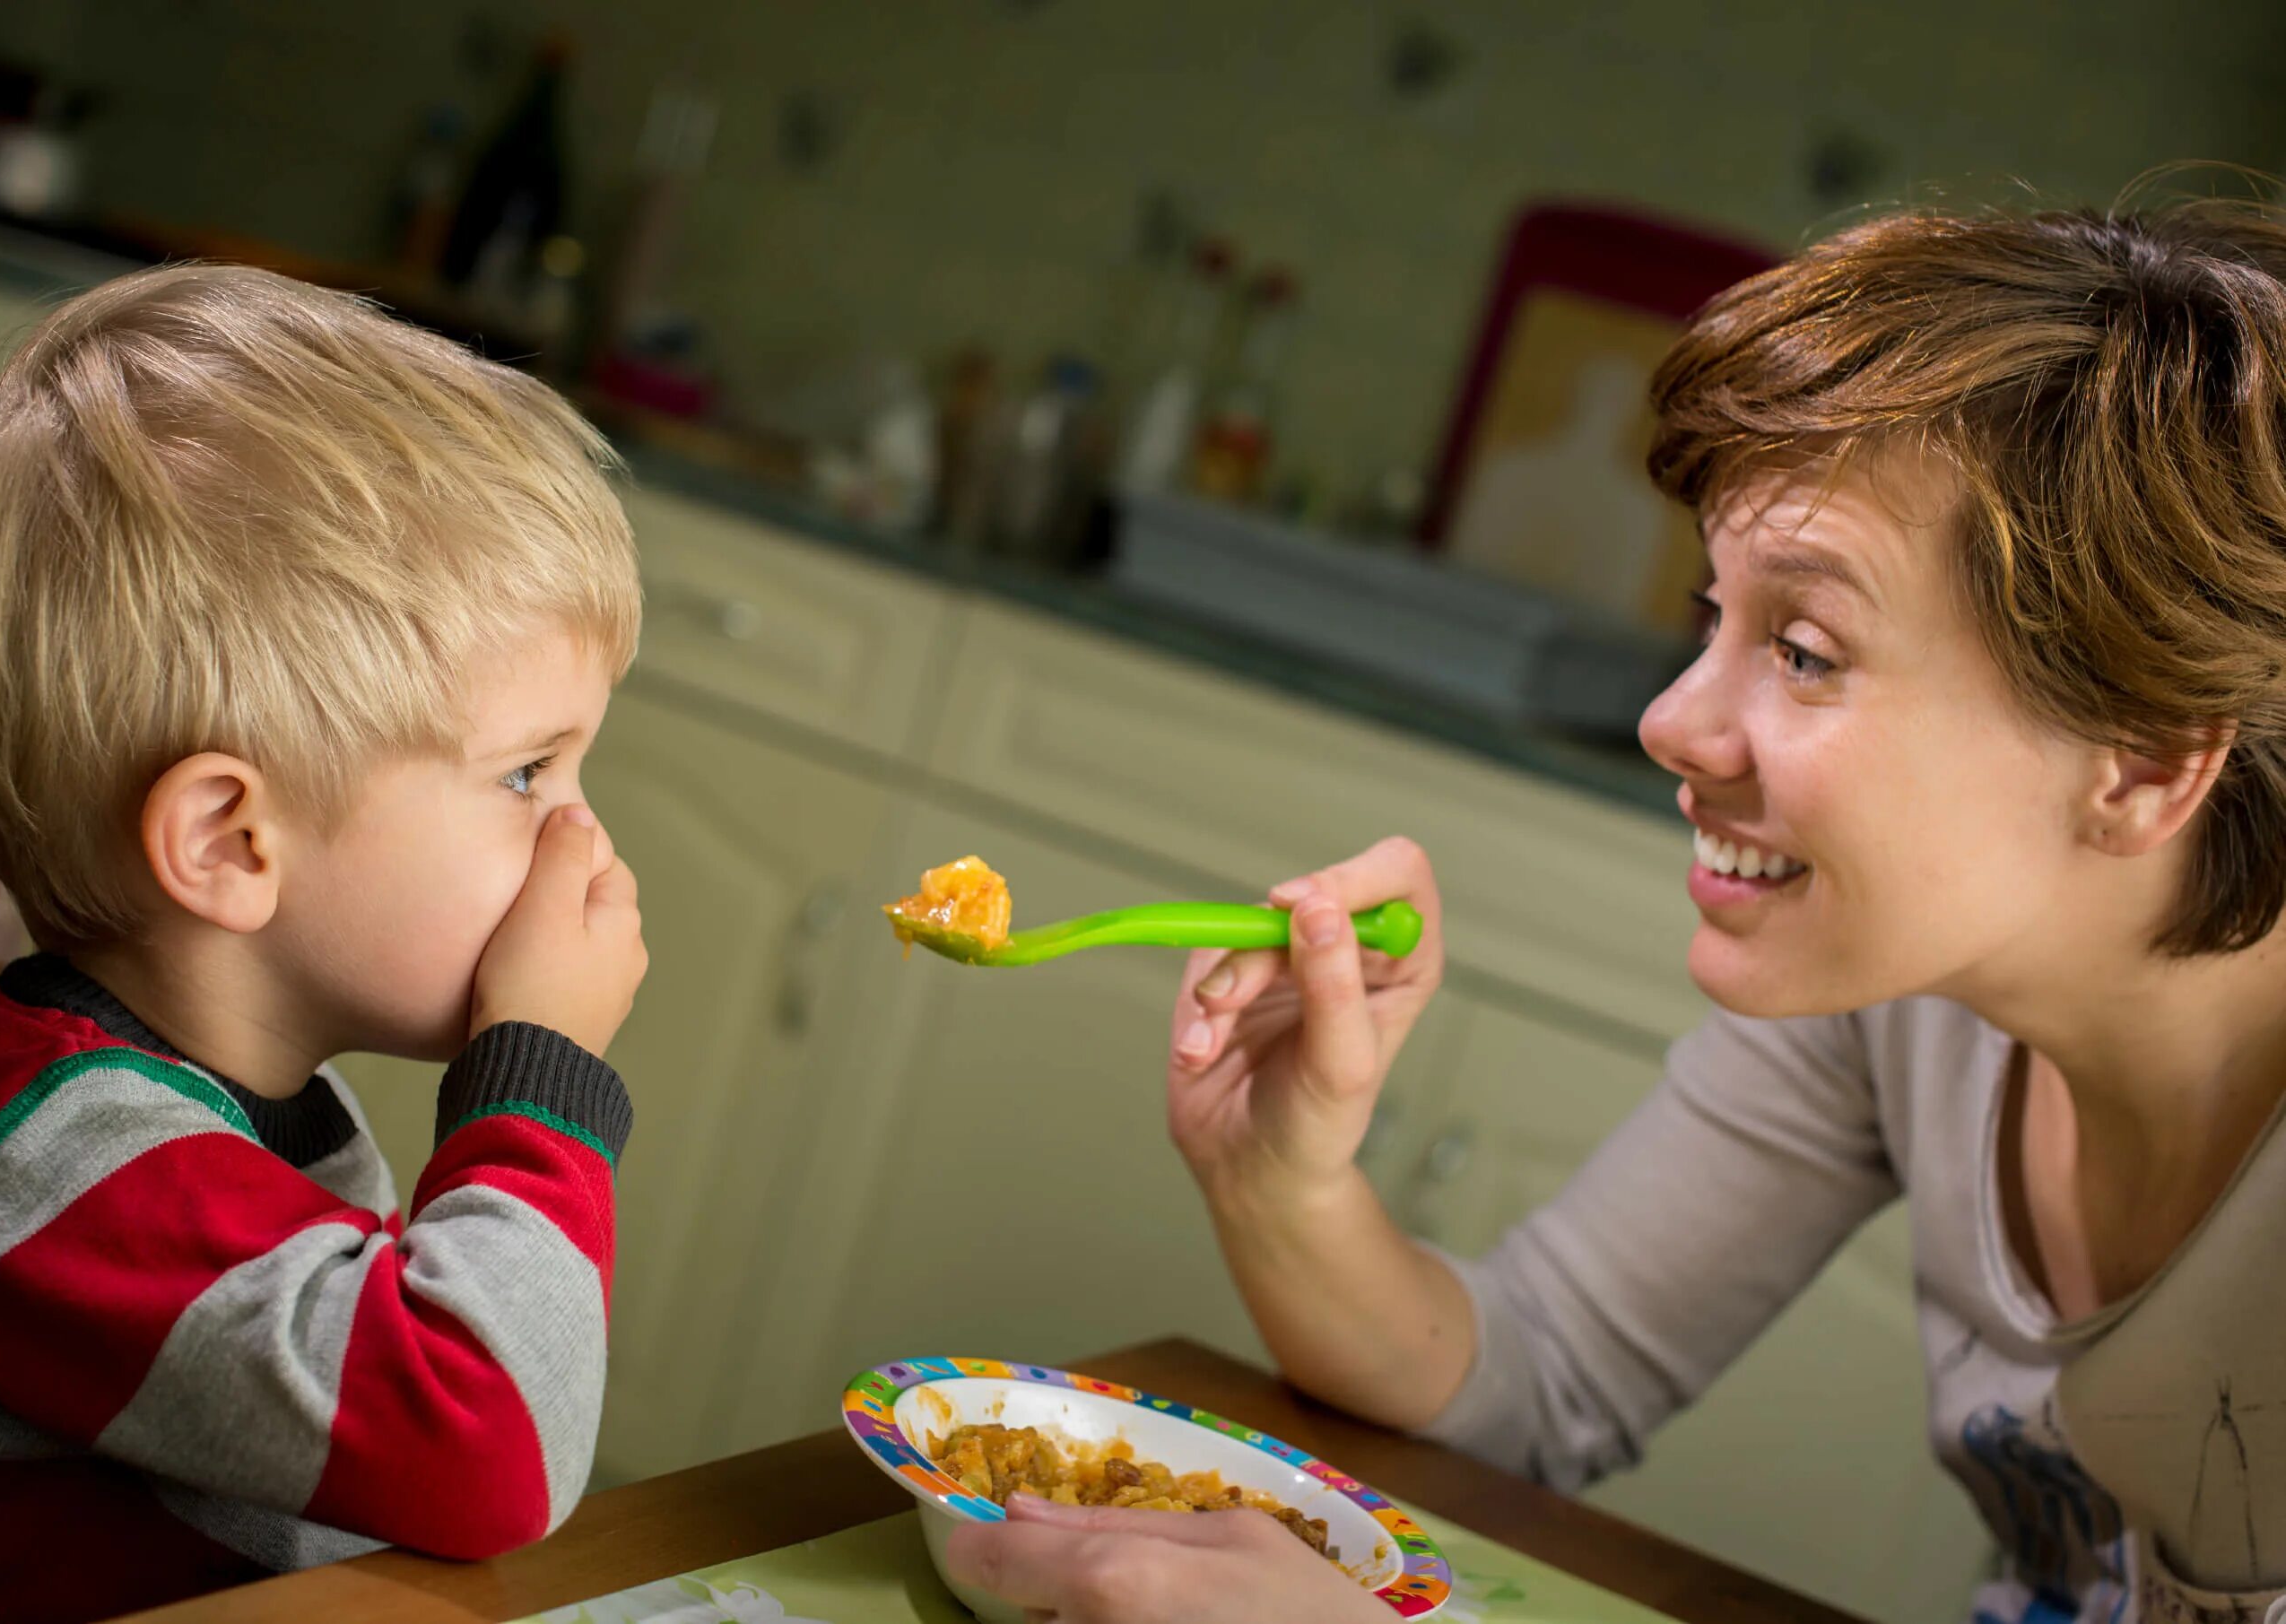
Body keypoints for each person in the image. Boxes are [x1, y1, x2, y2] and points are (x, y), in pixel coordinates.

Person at [952, 193, 2286, 1624]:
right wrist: (1281, 1182)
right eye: (1714, 617)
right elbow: (1546, 1372)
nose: (1669, 722)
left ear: (2144, 760)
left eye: (1806, 649)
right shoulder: (1910, 995)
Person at [0, 264, 648, 1622]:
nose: (580, 838)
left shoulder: (232, 1107)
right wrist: (538, 1079)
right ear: (228, 843)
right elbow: (484, 1449)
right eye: (528, 774)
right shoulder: (61, 1173)